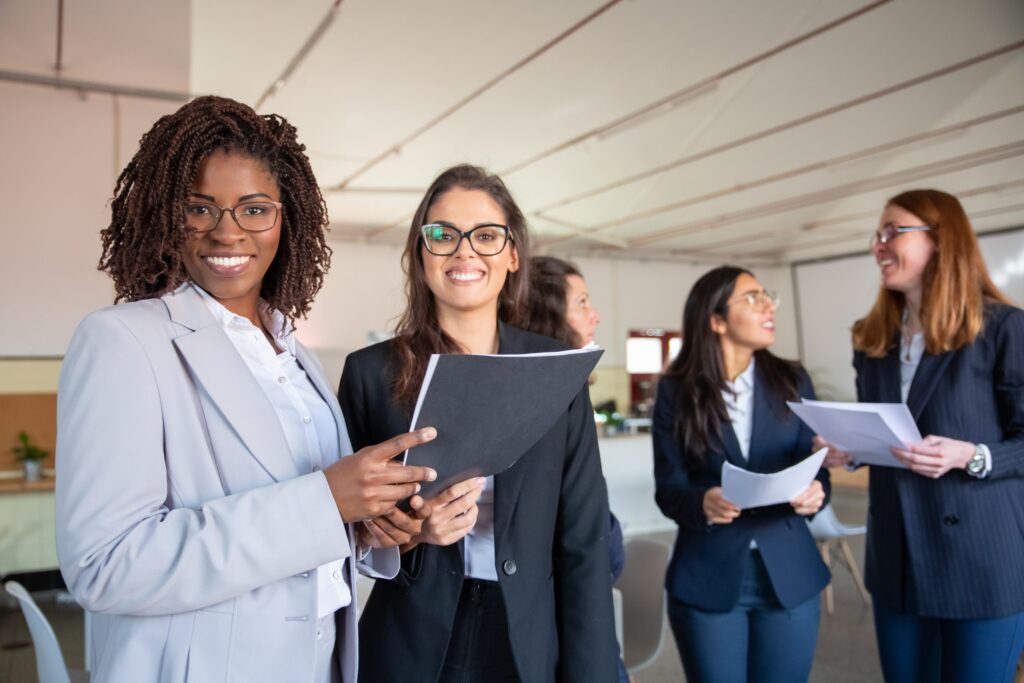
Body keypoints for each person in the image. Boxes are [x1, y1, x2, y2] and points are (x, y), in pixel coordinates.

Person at [55, 96, 437, 683]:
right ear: (165, 213)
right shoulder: (123, 341)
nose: (227, 231)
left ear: (286, 219)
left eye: (254, 209)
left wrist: (362, 527)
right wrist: (326, 502)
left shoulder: (295, 353)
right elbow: (104, 566)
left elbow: (310, 527)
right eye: (199, 208)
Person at [338, 164, 618, 682]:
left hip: (528, 634)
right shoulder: (370, 373)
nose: (464, 251)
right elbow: (343, 531)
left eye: (486, 236)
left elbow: (584, 541)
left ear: (513, 256)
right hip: (410, 636)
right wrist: (412, 535)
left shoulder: (557, 369)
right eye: (442, 235)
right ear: (420, 253)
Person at [820, 189, 1024, 682]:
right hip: (897, 558)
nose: (879, 245)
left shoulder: (1003, 328)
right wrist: (848, 449)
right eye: (877, 235)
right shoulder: (871, 339)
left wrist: (973, 455)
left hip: (981, 561)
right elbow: (887, 432)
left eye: (893, 232)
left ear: (941, 240)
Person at [653, 266, 830, 683]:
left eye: (767, 296)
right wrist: (701, 502)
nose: (768, 305)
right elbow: (669, 490)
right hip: (707, 575)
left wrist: (816, 493)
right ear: (715, 320)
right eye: (752, 298)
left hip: (789, 575)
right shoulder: (676, 391)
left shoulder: (793, 379)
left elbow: (816, 470)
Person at [523, 255, 628, 683]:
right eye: (582, 302)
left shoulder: (567, 396)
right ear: (549, 316)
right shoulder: (539, 408)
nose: (595, 314)